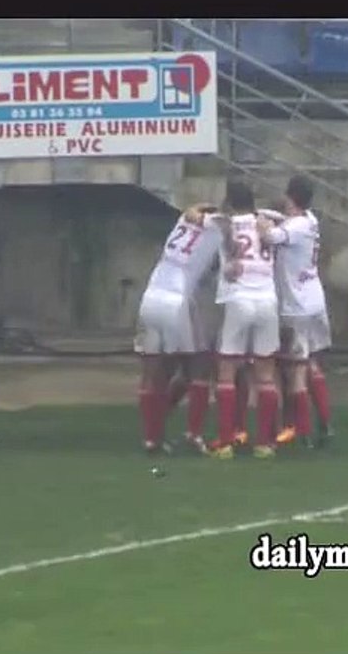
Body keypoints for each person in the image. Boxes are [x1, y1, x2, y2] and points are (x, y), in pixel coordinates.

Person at [206, 180, 288, 460]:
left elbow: (196, 217)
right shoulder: (270, 222)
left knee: (226, 372)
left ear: (229, 201)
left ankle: (226, 442)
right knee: (266, 375)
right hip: (267, 300)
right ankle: (265, 443)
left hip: (238, 299)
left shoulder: (221, 222)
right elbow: (284, 218)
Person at [134, 202, 224, 454]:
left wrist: (194, 210)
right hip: (177, 300)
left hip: (151, 296)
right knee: (199, 365)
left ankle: (152, 438)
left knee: (154, 371)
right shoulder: (217, 229)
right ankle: (193, 434)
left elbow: (191, 211)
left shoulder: (183, 221)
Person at [263, 176, 335, 448]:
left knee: (295, 369)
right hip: (315, 301)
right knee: (312, 363)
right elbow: (284, 221)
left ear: (289, 196)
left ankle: (302, 431)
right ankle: (325, 422)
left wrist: (256, 221)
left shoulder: (294, 227)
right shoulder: (311, 221)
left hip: (296, 307)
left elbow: (269, 236)